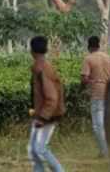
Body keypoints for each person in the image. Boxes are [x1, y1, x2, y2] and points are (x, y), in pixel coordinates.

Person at [27, 36, 66, 172]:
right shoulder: (40, 66)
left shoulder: (43, 69)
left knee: (40, 149)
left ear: (32, 51)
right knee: (32, 149)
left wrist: (43, 118)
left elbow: (52, 98)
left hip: (48, 115)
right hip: (42, 113)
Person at [80, 36, 110, 158]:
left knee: (97, 125)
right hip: (109, 92)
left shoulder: (88, 58)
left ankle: (104, 151)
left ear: (89, 46)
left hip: (97, 93)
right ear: (98, 45)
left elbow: (84, 78)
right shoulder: (107, 57)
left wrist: (84, 87)